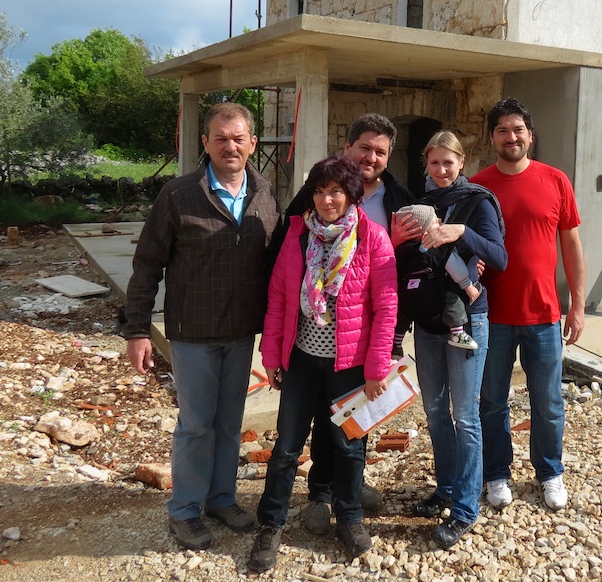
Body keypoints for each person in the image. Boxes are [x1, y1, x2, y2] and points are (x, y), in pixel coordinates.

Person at [123, 102, 281, 551]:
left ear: (252, 143)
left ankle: (221, 498)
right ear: (206, 142)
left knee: (229, 423)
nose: (230, 146)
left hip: (240, 332)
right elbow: (147, 264)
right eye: (221, 138)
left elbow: (278, 265)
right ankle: (185, 509)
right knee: (195, 425)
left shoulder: (265, 193)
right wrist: (137, 330)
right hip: (192, 331)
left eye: (238, 138)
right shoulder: (179, 195)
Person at [249, 155, 397, 571]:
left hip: (349, 366)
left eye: (335, 191)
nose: (326, 200)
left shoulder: (372, 238)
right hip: (302, 361)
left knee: (349, 446)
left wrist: (377, 368)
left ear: (352, 195)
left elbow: (386, 306)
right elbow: (279, 299)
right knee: (286, 447)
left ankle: (349, 518)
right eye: (319, 191)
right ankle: (271, 524)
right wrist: (272, 356)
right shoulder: (298, 235)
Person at [299, 114, 416, 536]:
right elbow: (291, 247)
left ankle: (351, 482)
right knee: (322, 413)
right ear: (347, 147)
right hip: (320, 331)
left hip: (373, 328)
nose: (371, 157)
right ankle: (321, 491)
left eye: (380, 151)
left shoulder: (399, 198)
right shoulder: (320, 188)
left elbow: (413, 262)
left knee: (358, 413)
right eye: (364, 147)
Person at [471, 98, 586, 512]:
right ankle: (496, 473)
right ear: (492, 138)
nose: (511, 137)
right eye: (502, 130)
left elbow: (571, 246)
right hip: (491, 316)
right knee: (492, 402)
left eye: (518, 129)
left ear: (530, 135)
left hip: (543, 315)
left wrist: (577, 305)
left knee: (548, 402)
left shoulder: (555, 181)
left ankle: (550, 472)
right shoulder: (478, 188)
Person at [401, 131, 507, 548]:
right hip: (429, 322)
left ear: (461, 162)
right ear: (426, 164)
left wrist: (459, 231)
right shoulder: (420, 204)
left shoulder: (478, 202)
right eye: (434, 163)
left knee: (465, 416)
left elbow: (499, 257)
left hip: (468, 321)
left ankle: (465, 508)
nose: (442, 170)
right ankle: (445, 488)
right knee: (434, 411)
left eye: (449, 162)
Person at [396, 202, 482, 349]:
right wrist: (468, 287)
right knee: (454, 300)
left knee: (404, 312)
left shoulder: (402, 250)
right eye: (435, 221)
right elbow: (456, 268)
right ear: (424, 233)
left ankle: (396, 344)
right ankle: (457, 334)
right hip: (435, 294)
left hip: (410, 295)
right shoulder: (438, 248)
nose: (440, 222)